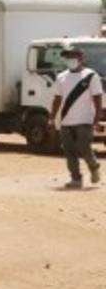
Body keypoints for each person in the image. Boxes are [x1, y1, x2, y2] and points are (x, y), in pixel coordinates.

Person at [49, 45, 102, 189]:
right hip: (66, 121)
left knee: (84, 147)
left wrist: (97, 118)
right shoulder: (61, 77)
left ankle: (94, 167)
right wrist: (52, 118)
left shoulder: (91, 76)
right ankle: (76, 179)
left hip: (85, 120)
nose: (69, 60)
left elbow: (97, 98)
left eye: (72, 57)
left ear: (80, 58)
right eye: (67, 57)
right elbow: (57, 98)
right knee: (69, 151)